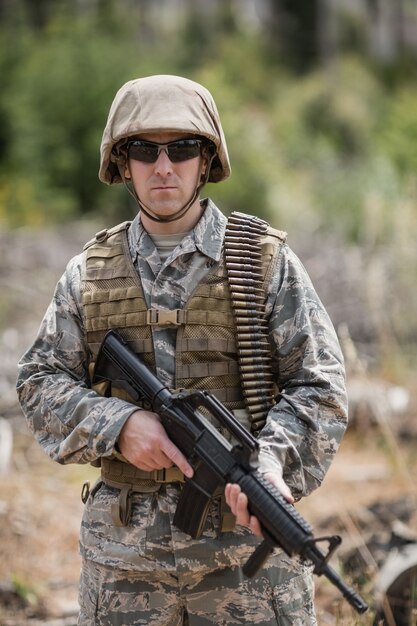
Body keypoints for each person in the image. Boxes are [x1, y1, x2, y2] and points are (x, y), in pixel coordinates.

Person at [16, 74, 348, 626]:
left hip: (246, 569)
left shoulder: (263, 262)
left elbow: (321, 388)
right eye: (145, 150)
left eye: (183, 148)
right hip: (125, 569)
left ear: (206, 160)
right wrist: (118, 423)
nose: (163, 166)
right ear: (123, 164)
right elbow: (38, 381)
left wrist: (270, 460)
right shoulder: (89, 274)